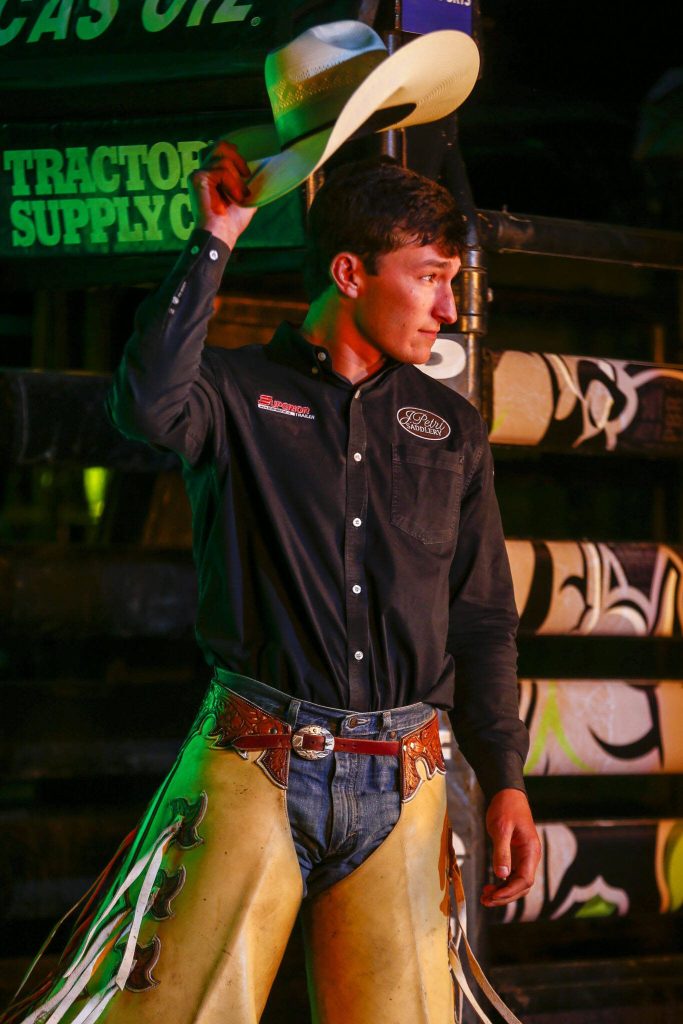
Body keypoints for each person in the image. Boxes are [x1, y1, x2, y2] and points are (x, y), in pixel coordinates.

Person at [3, 21, 540, 1024]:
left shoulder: (449, 429)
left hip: (407, 774)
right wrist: (216, 239)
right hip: (257, 759)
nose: (444, 303)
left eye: (447, 277)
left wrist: (504, 777)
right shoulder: (237, 394)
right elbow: (145, 405)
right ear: (347, 273)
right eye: (425, 274)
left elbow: (480, 617)